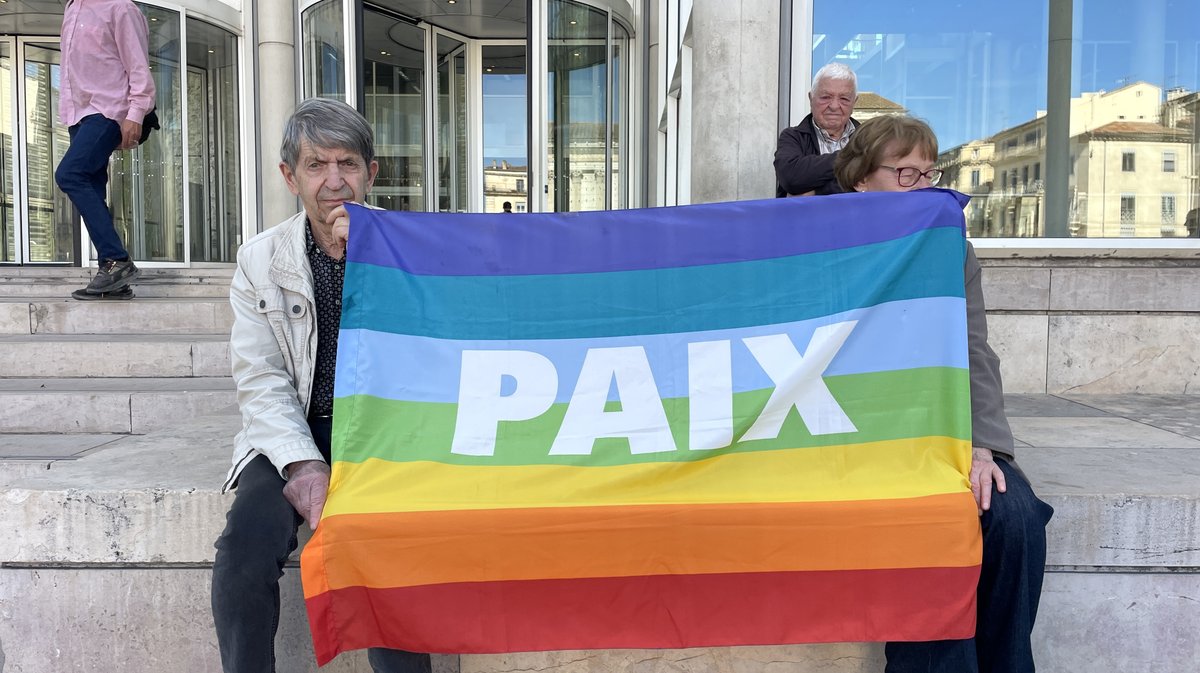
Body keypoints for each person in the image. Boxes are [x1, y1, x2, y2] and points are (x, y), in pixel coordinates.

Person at [211, 98, 430, 673]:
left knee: (387, 548)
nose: (335, 181)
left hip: (386, 429)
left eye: (348, 163)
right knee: (244, 550)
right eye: (316, 165)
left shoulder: (412, 249)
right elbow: (260, 380)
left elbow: (433, 355)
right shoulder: (260, 259)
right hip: (293, 429)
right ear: (290, 177)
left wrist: (374, 264)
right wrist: (301, 464)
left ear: (371, 172)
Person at [834, 115, 1054, 673]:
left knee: (1013, 516)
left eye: (930, 174)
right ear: (862, 179)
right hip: (854, 436)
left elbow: (973, 350)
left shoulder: (950, 249)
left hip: (940, 430)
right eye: (906, 173)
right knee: (931, 525)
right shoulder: (820, 245)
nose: (924, 188)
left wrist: (984, 448)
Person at [56, 0, 155, 299]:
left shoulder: (120, 8)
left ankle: (117, 259)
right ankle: (113, 279)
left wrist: (135, 113)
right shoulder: (72, 9)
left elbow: (138, 65)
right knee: (92, 187)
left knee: (70, 174)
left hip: (110, 110)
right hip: (79, 114)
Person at [773, 62, 859, 197]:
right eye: (826, 97)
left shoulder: (870, 139)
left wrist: (816, 192)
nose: (835, 106)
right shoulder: (792, 137)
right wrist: (850, 158)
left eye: (844, 99)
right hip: (805, 218)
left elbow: (877, 185)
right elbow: (791, 179)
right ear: (811, 98)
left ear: (854, 102)